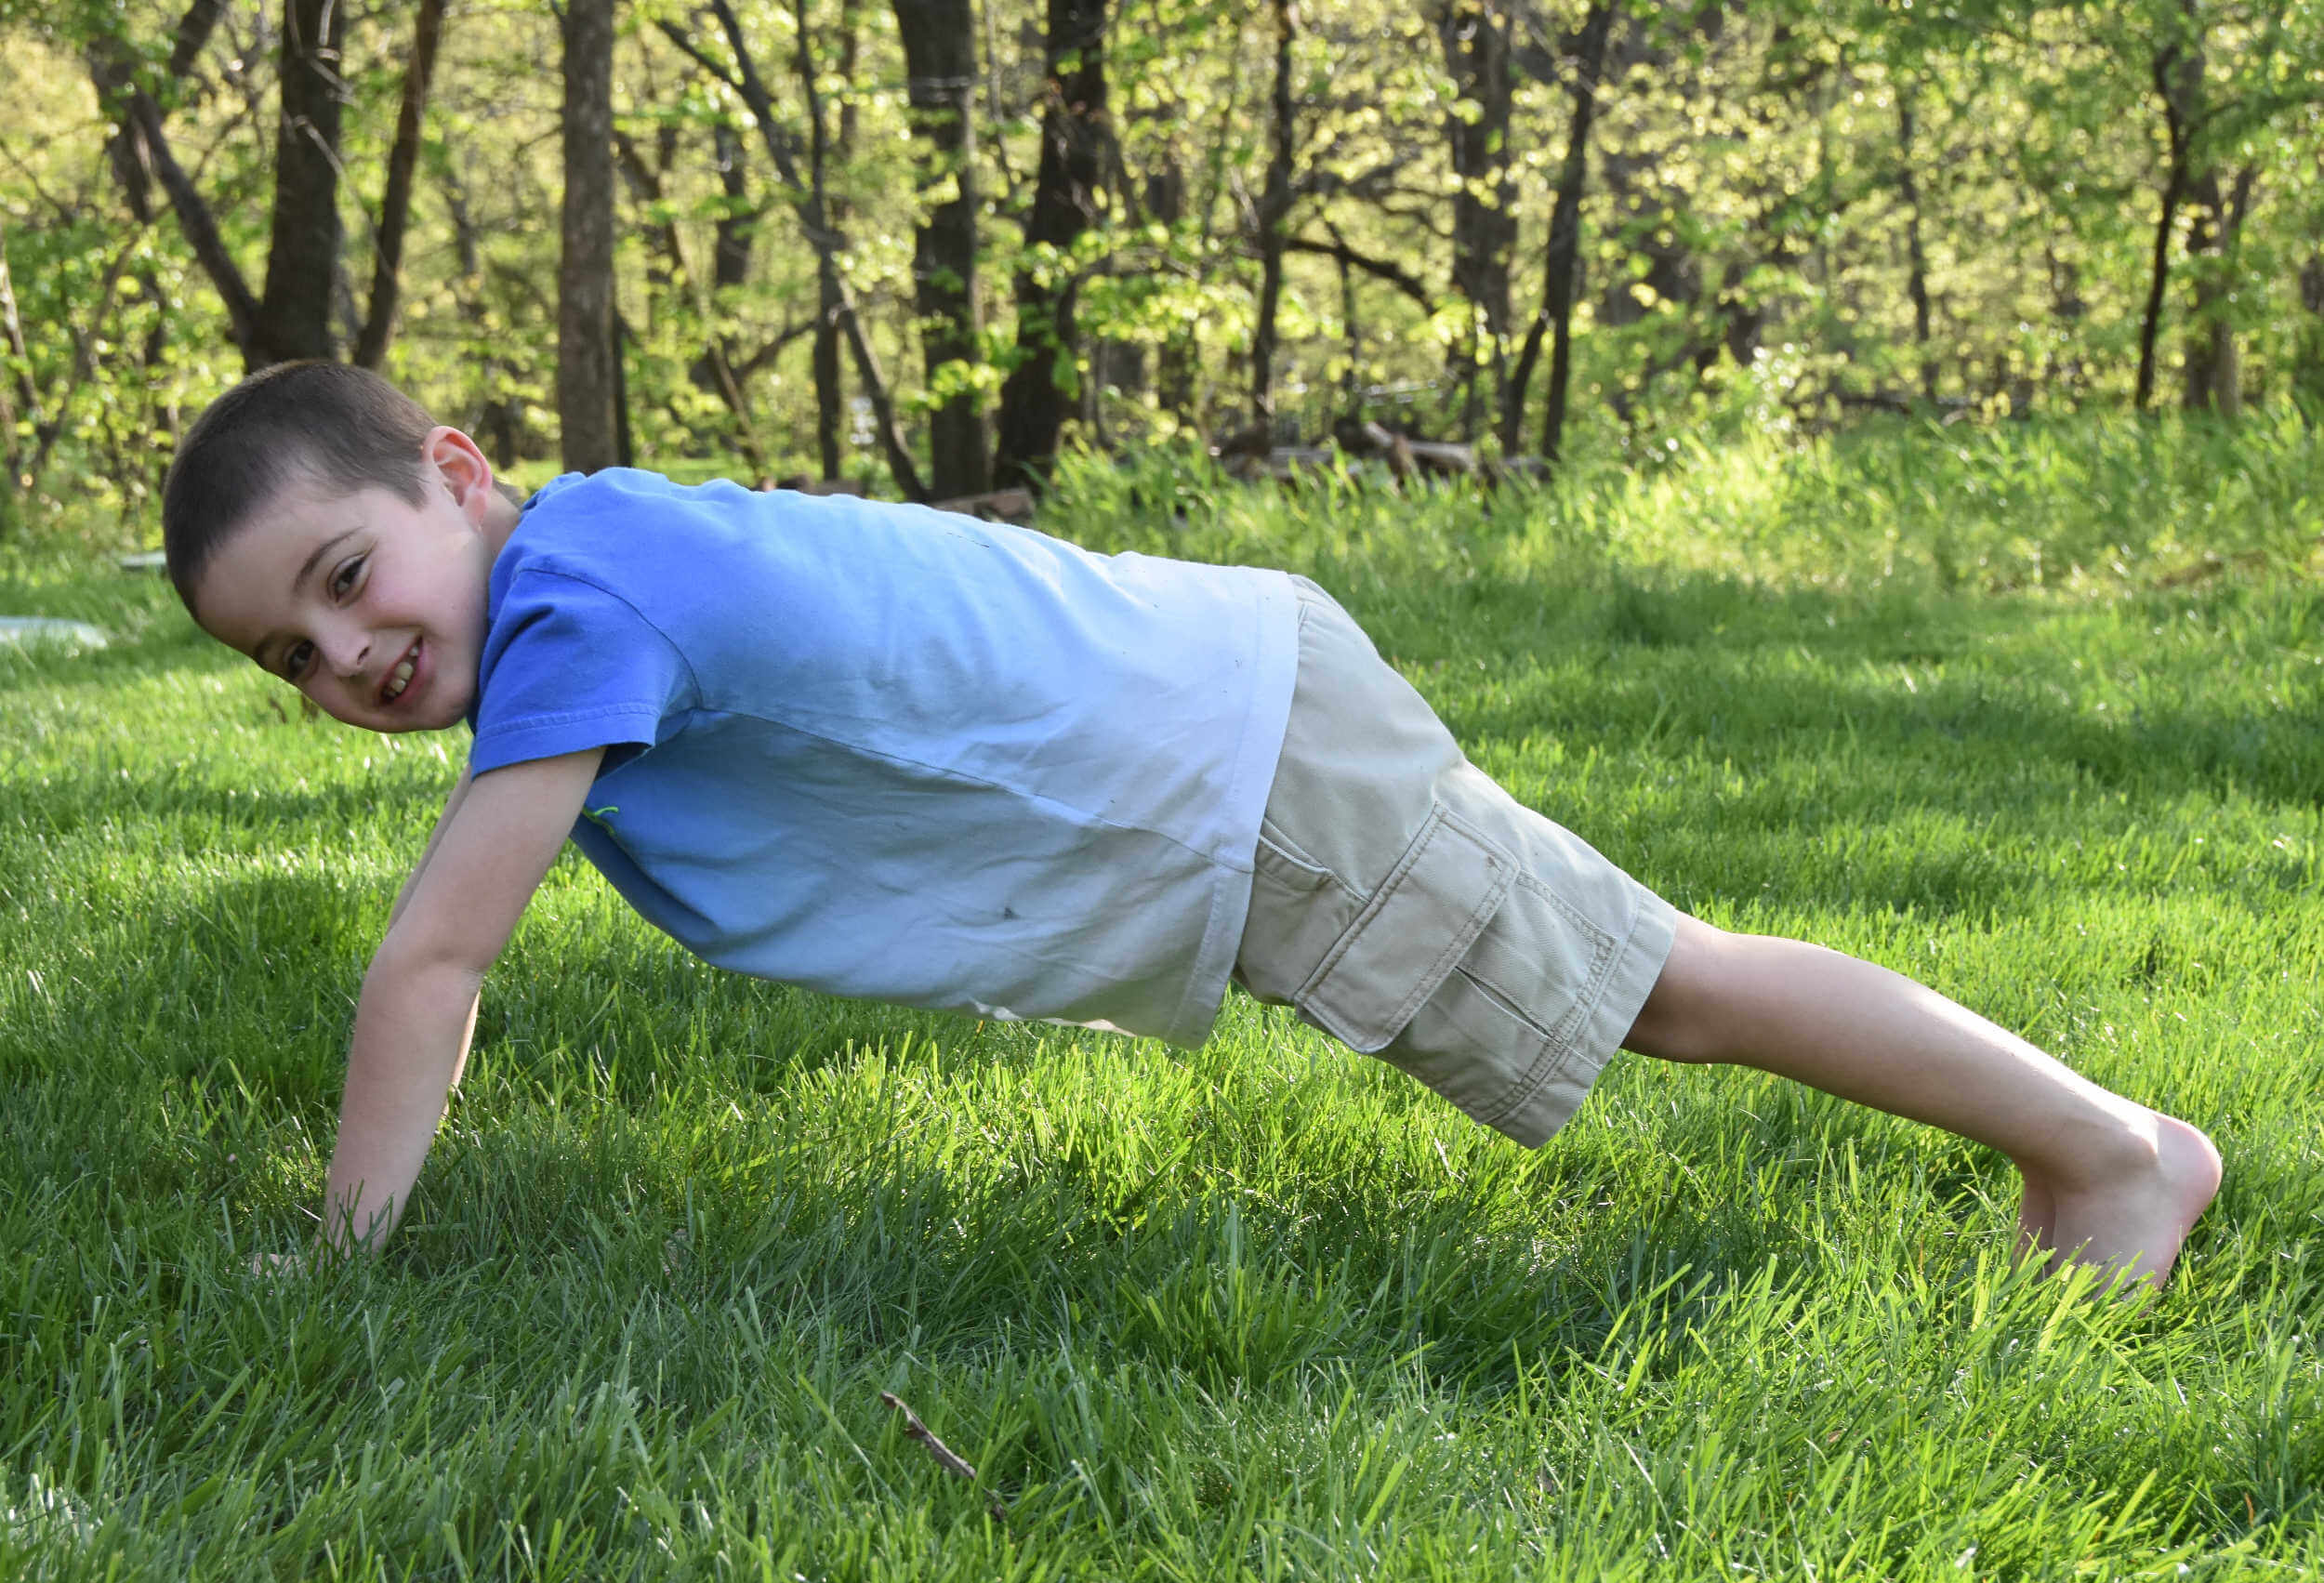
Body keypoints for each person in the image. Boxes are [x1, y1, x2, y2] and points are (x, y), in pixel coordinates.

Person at [163, 362, 2220, 1288]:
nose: (345, 657)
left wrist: (340, 1259)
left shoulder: (580, 601)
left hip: (1231, 776)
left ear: (457, 472)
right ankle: (2093, 1150)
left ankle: (2112, 1154)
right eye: (289, 655)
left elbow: (436, 957)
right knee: (1656, 976)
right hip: (1220, 746)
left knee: (1658, 987)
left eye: (348, 577)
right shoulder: (591, 565)